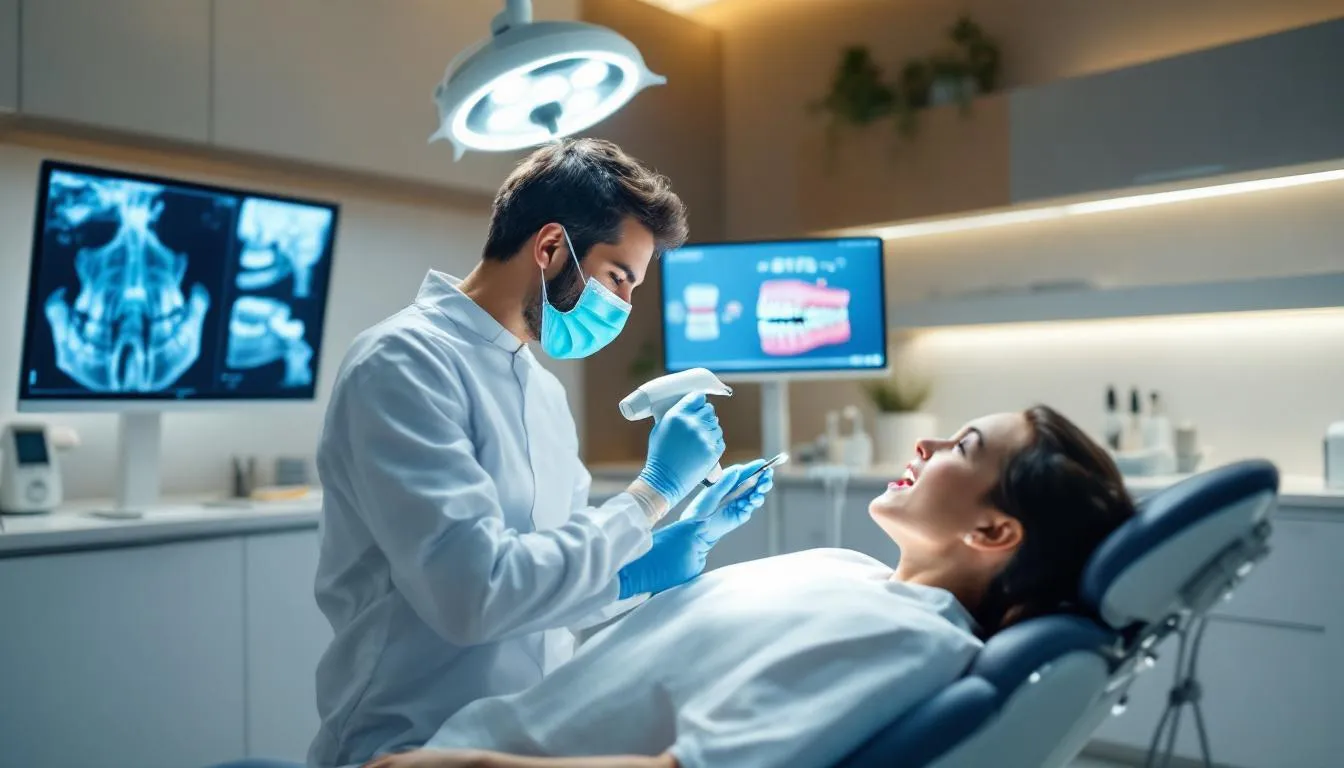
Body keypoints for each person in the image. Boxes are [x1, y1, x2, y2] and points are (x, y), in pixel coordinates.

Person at [308, 138, 776, 767]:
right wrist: (652, 493)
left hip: (525, 740)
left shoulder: (545, 394)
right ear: (551, 247)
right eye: (618, 279)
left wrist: (654, 560)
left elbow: (544, 586)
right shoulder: (402, 363)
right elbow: (476, 595)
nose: (623, 307)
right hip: (408, 742)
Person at [359, 405, 1138, 768]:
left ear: (995, 534)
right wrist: (661, 562)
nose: (927, 442)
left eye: (961, 447)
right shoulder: (851, 571)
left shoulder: (912, 639)